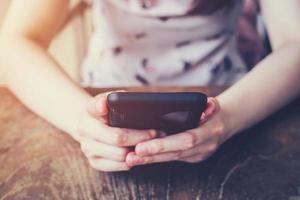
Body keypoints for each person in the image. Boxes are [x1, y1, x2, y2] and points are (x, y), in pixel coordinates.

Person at [0, 0, 300, 172]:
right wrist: (80, 120)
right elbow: (12, 44)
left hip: (231, 96)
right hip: (101, 97)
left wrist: (230, 117)